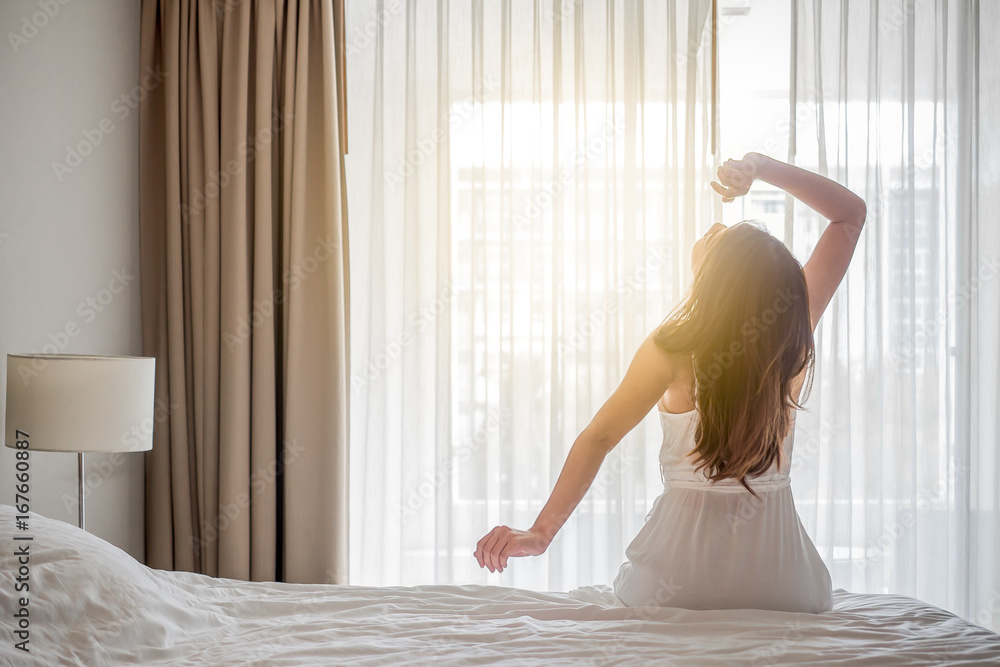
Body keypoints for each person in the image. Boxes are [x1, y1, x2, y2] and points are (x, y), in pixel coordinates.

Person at [473, 152, 867, 613]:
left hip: (677, 585)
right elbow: (849, 214)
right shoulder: (792, 333)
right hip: (785, 584)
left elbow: (599, 437)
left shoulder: (672, 351)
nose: (714, 229)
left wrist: (541, 534)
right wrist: (761, 169)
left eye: (722, 238)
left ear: (715, 282)